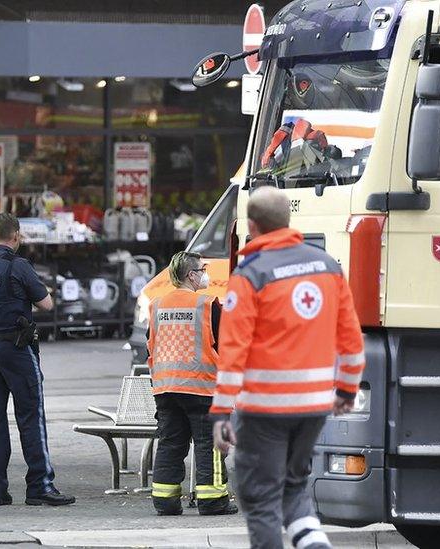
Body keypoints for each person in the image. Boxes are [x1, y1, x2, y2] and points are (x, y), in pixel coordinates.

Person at [210, 186, 365, 549]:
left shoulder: (251, 275)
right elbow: (352, 339)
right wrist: (346, 389)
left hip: (264, 408)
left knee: (260, 498)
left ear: (252, 225)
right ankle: (315, 545)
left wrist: (220, 412)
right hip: (313, 406)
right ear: (287, 221)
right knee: (293, 487)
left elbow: (234, 351)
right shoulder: (326, 266)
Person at [0, 213, 75, 507]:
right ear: (16, 236)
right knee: (31, 416)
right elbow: (45, 303)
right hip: (17, 351)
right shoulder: (18, 266)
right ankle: (39, 487)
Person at [147, 251, 238, 517]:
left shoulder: (156, 305)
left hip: (165, 388)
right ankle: (212, 501)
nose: (206, 273)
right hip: (201, 388)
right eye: (203, 268)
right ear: (191, 274)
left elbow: (150, 346)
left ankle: (165, 501)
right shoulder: (208, 305)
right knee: (209, 444)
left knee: (170, 443)